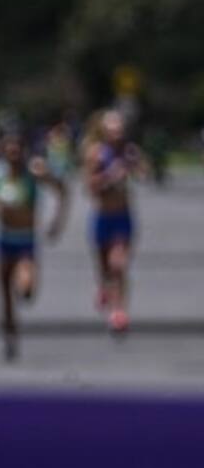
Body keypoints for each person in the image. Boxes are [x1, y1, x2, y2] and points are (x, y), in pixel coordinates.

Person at [0, 128, 67, 361]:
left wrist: (57, 222)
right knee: (5, 296)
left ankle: (24, 288)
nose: (13, 152)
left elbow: (63, 190)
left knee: (25, 288)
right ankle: (10, 339)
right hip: (3, 239)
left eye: (17, 148)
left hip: (26, 239)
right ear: (2, 150)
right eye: (9, 148)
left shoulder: (34, 172)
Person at [83, 109, 146, 335]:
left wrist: (134, 164)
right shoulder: (96, 154)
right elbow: (89, 187)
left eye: (120, 129)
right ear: (104, 131)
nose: (117, 134)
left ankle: (119, 312)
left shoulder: (129, 152)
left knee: (118, 265)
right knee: (104, 268)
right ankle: (104, 287)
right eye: (112, 130)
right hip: (102, 217)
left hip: (123, 216)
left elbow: (144, 174)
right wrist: (109, 175)